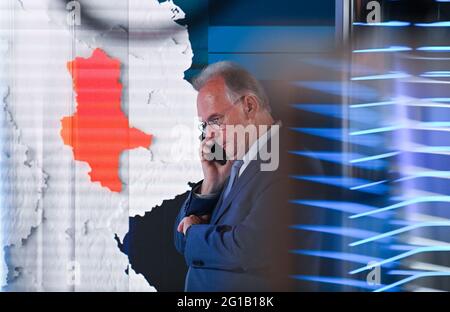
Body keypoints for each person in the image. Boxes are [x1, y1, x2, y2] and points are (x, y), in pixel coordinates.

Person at [174, 61, 293, 291]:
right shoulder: (235, 164)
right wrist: (210, 187)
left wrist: (194, 230)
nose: (208, 134)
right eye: (204, 125)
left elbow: (250, 250)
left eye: (215, 120)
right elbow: (181, 241)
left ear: (249, 106)